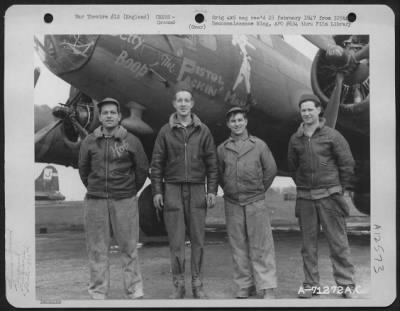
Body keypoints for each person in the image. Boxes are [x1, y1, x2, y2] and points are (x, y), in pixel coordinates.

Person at [150, 81, 218, 299]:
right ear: (174, 104)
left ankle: (198, 284)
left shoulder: (203, 131)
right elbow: (157, 163)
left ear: (192, 104)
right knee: (176, 241)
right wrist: (157, 191)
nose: (183, 104)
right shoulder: (165, 132)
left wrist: (212, 190)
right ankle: (178, 285)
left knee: (198, 239)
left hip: (198, 188)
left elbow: (212, 163)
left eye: (186, 100)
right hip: (172, 189)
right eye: (179, 100)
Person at [78, 97, 149, 300]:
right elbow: (84, 170)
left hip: (124, 200)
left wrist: (127, 190)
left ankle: (134, 290)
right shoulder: (89, 142)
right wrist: (96, 188)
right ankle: (98, 291)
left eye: (113, 113)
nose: (109, 116)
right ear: (100, 117)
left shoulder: (132, 141)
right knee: (97, 249)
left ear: (119, 117)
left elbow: (141, 169)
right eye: (105, 113)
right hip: (96, 201)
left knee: (129, 247)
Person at [287, 94, 356, 299]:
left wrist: (337, 188)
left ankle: (346, 285)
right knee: (308, 246)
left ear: (319, 110)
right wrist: (304, 186)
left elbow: (347, 164)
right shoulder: (295, 139)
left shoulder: (333, 136)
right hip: (306, 198)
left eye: (310, 109)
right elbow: (292, 167)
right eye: (303, 110)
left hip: (330, 196)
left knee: (338, 243)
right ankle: (311, 285)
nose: (307, 113)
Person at [217, 107, 278, 299]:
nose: (237, 124)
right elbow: (220, 175)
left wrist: (258, 190)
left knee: (262, 246)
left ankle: (267, 287)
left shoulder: (259, 145)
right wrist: (230, 189)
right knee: (238, 246)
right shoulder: (222, 149)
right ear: (228, 124)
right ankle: (245, 285)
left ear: (246, 122)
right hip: (232, 203)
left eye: (240, 120)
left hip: (255, 203)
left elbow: (271, 170)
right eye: (233, 121)